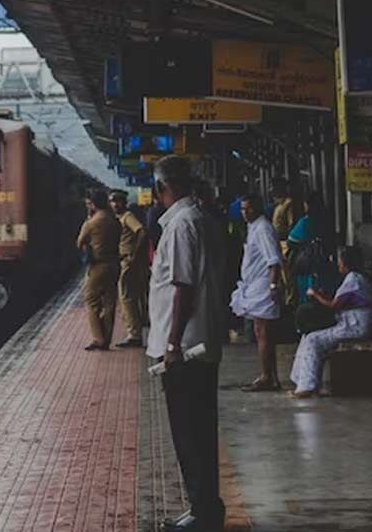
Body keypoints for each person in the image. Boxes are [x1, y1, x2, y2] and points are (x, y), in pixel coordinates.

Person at [147, 155, 226, 532]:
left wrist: (173, 343)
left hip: (186, 348)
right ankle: (206, 507)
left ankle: (202, 512)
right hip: (203, 341)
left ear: (164, 188)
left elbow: (183, 287)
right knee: (201, 429)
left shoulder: (181, 226)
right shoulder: (202, 219)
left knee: (188, 432)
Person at [289, 246, 372, 398]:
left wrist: (315, 294)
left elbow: (334, 305)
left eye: (340, 261)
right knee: (308, 336)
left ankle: (308, 386)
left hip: (355, 326)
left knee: (314, 340)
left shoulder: (353, 279)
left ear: (346, 263)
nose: (338, 265)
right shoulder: (357, 277)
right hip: (350, 323)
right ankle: (300, 382)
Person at [230, 193, 284, 392]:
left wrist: (272, 287)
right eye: (243, 209)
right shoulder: (253, 227)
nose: (245, 213)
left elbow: (274, 261)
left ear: (258, 208)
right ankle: (271, 376)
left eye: (249, 208)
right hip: (254, 285)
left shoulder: (263, 229)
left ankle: (266, 376)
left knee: (262, 332)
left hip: (263, 286)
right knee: (262, 333)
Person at [77, 188, 121, 351]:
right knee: (110, 301)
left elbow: (79, 242)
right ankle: (107, 339)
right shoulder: (114, 220)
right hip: (114, 263)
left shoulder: (91, 222)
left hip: (98, 266)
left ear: (93, 204)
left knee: (91, 300)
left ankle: (98, 337)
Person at [109, 190, 148, 347]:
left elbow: (142, 232)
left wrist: (134, 256)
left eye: (117, 201)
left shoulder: (127, 217)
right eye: (112, 201)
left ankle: (134, 335)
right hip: (124, 260)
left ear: (124, 202)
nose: (114, 204)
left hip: (128, 261)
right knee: (126, 297)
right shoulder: (119, 218)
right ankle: (133, 332)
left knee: (127, 297)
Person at [287, 192, 328, 301]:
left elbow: (290, 241)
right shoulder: (325, 220)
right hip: (322, 260)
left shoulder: (305, 222)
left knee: (304, 292)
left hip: (307, 261)